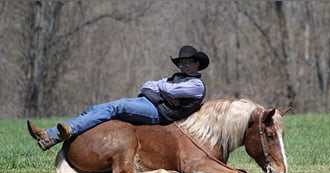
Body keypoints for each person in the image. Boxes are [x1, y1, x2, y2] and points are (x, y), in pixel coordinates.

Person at [27, 45, 210, 151]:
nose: (183, 66)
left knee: (116, 107)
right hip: (148, 102)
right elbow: (146, 85)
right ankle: (50, 135)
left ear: (197, 64)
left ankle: (67, 130)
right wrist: (164, 91)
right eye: (181, 63)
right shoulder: (177, 78)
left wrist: (162, 88)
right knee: (94, 108)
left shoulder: (195, 85)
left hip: (159, 113)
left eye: (187, 63)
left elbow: (161, 86)